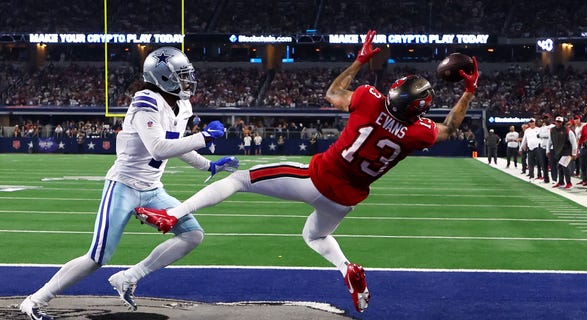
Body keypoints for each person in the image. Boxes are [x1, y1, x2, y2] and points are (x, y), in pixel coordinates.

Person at [133, 30, 479, 313]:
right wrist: (468, 91)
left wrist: (360, 59)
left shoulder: (371, 100)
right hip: (346, 199)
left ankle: (171, 214)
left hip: (317, 178)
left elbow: (333, 93)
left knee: (238, 179)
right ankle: (348, 270)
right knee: (314, 236)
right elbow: (449, 128)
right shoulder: (420, 132)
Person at [19, 46, 239, 320]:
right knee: (97, 257)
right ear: (163, 77)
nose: (187, 81)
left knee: (192, 235)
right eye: (182, 75)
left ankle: (129, 277)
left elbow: (177, 145)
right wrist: (204, 137)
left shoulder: (182, 105)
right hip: (123, 186)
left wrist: (209, 165)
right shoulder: (145, 101)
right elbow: (159, 148)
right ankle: (34, 301)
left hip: (153, 189)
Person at [547, 116, 578, 189]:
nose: (558, 123)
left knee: (565, 166)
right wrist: (548, 150)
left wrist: (574, 153)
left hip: (567, 151)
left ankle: (569, 183)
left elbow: (574, 143)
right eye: (557, 122)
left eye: (559, 122)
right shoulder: (552, 130)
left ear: (562, 123)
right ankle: (561, 182)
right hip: (558, 151)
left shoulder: (568, 131)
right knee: (560, 167)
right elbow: (549, 141)